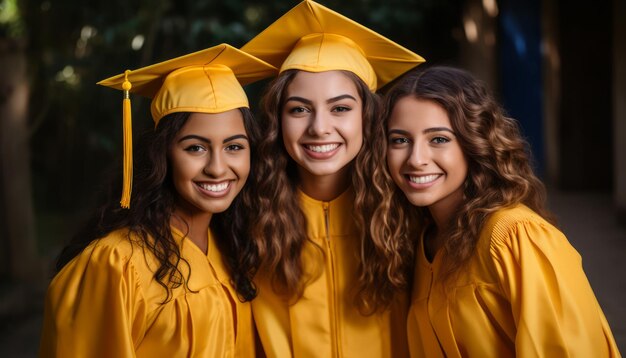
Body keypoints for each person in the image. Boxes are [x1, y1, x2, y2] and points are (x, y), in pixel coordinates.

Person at [39, 44, 276, 357]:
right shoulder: (116, 263)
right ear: (162, 155)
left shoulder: (235, 249)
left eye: (234, 147)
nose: (218, 168)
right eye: (195, 148)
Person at [383, 65, 621, 357]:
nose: (416, 159)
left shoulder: (513, 235)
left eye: (439, 139)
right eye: (400, 140)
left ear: (474, 143)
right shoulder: (421, 244)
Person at [239, 1, 425, 356]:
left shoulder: (410, 213)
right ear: (278, 119)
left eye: (340, 108)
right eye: (299, 109)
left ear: (367, 117)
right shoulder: (247, 218)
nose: (319, 128)